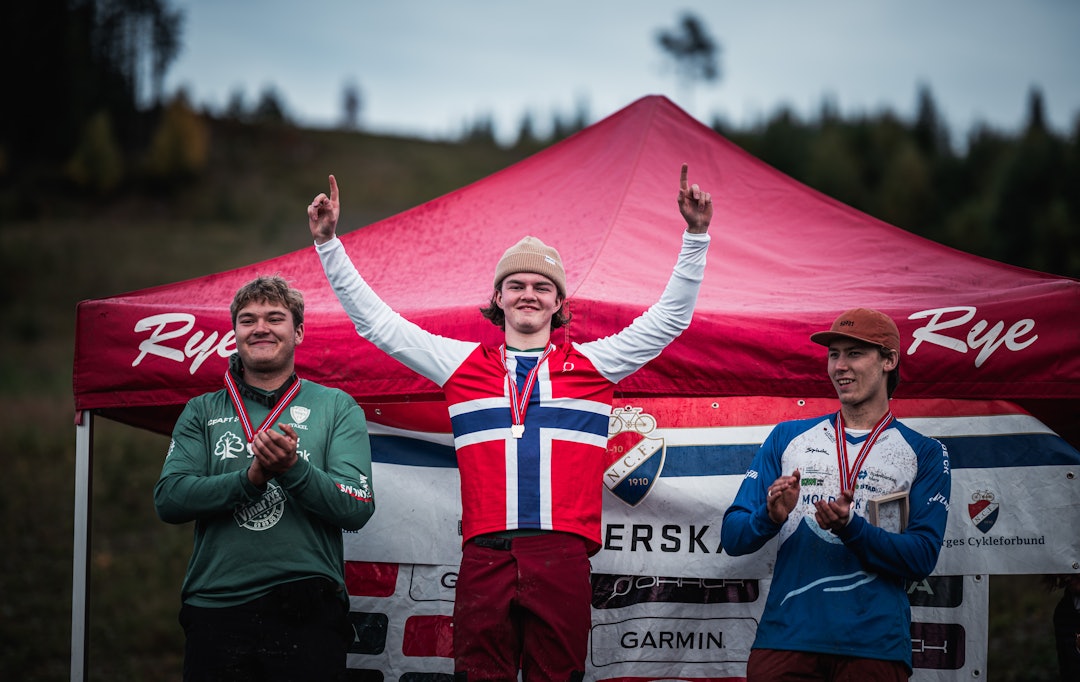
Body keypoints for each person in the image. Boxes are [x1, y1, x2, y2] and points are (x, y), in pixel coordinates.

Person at [306, 165, 713, 681]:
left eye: (543, 287)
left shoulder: (595, 364)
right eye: (515, 285)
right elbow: (376, 324)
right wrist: (328, 245)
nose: (528, 294)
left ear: (559, 302)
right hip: (484, 554)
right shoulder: (459, 363)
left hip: (561, 554)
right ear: (497, 298)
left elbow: (670, 319)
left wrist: (695, 236)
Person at [154, 275, 375, 682]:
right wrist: (250, 479)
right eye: (247, 319)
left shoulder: (336, 406)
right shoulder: (202, 410)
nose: (260, 328)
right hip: (216, 602)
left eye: (275, 318)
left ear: (299, 332)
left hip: (308, 604)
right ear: (234, 333)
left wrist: (295, 469)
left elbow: (357, 506)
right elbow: (169, 499)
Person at [720, 308, 951, 681]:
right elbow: (732, 537)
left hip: (874, 645)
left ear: (889, 360)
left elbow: (923, 556)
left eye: (854, 353)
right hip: (786, 640)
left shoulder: (924, 451)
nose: (839, 366)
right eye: (833, 354)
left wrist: (851, 528)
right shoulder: (787, 437)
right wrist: (770, 517)